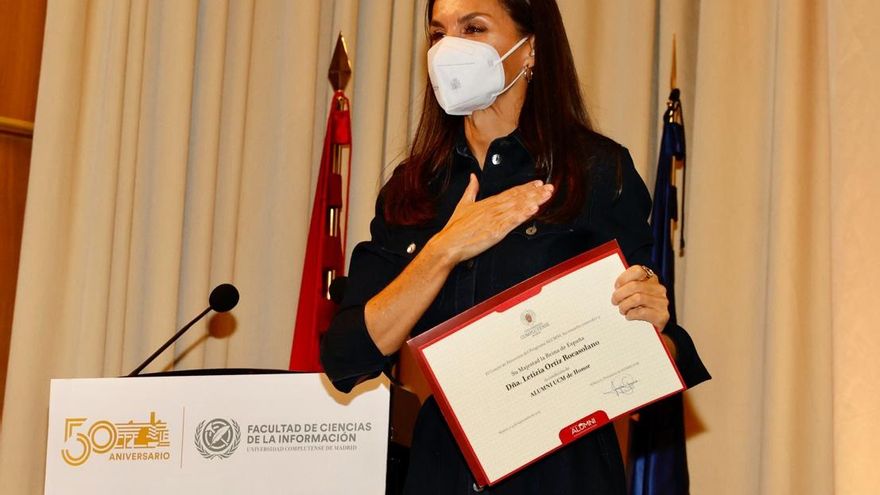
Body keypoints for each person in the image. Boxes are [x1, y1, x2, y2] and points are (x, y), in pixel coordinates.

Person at [320, 0, 710, 493]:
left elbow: (653, 351)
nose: (449, 49)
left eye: (474, 28)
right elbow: (346, 359)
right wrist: (445, 248)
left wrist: (649, 320)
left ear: (532, 50)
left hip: (566, 476)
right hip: (442, 475)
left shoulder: (595, 171)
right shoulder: (414, 188)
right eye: (438, 33)